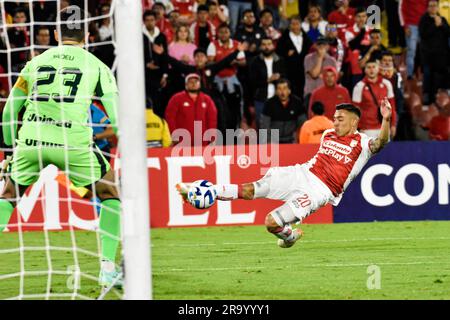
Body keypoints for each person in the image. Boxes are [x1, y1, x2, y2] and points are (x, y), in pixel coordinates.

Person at [0, 6, 122, 288]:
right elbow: (116, 119)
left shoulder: (35, 62)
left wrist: (10, 148)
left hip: (31, 141)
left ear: (56, 33)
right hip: (73, 143)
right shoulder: (97, 66)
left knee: (8, 194)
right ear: (88, 36)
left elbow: (8, 114)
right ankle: (106, 268)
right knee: (110, 192)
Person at [177, 99, 393, 248]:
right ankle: (208, 191)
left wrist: (385, 119)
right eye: (335, 117)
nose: (334, 121)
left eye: (340, 118)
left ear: (354, 122)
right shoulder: (328, 134)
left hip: (319, 190)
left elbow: (381, 142)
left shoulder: (363, 143)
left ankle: (289, 237)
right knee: (252, 188)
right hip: (301, 172)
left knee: (271, 223)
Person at [165, 73, 218, 146]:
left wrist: (212, 137)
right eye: (191, 82)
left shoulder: (207, 99)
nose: (193, 84)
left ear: (199, 84)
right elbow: (170, 117)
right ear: (186, 85)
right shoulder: (176, 98)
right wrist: (174, 135)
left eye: (196, 82)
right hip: (182, 140)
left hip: (202, 141)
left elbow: (212, 119)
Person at [352, 59, 397, 139]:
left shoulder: (387, 84)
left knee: (385, 151)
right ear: (365, 70)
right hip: (367, 129)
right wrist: (358, 128)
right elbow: (355, 110)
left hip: (384, 127)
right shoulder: (359, 86)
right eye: (368, 67)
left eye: (373, 67)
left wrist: (393, 124)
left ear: (378, 68)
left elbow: (392, 106)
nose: (371, 70)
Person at [249, 37, 287, 127]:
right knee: (262, 127)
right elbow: (252, 82)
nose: (266, 47)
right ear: (260, 47)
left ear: (273, 46)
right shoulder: (255, 62)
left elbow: (286, 78)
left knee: (276, 126)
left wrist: (279, 78)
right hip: (260, 99)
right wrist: (267, 80)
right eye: (264, 44)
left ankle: (274, 141)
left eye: (269, 44)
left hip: (277, 99)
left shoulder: (280, 60)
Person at [419, 0, 450, 105]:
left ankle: (442, 97)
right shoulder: (424, 20)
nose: (433, 8)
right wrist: (435, 26)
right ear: (427, 8)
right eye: (431, 6)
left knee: (442, 76)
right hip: (428, 55)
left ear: (437, 7)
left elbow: (448, 33)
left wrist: (441, 25)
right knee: (428, 76)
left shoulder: (442, 19)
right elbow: (423, 34)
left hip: (442, 55)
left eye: (435, 6)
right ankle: (427, 97)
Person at [276, 15, 313, 98]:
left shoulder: (307, 38)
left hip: (303, 73)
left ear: (301, 25)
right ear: (289, 25)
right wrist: (286, 54)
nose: (295, 26)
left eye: (297, 24)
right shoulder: (283, 39)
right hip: (289, 73)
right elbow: (278, 54)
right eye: (293, 24)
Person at [259, 78, 305, 144]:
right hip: (274, 140)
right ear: (276, 91)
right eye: (279, 89)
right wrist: (269, 142)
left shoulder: (297, 102)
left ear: (289, 90)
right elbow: (264, 126)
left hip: (291, 139)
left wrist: (299, 139)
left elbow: (303, 124)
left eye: (285, 88)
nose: (282, 92)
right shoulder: (269, 104)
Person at [399, 0, 428, 80]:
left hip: (424, 25)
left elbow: (430, 8)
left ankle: (424, 73)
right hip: (411, 26)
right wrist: (405, 26)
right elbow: (402, 9)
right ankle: (410, 74)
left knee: (425, 51)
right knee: (411, 51)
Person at [304, 36, 337, 103]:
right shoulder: (308, 58)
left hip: (327, 94)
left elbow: (334, 79)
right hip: (311, 94)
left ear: (327, 47)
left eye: (324, 45)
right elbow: (314, 74)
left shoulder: (332, 61)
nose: (321, 47)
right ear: (315, 46)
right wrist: (320, 58)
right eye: (319, 45)